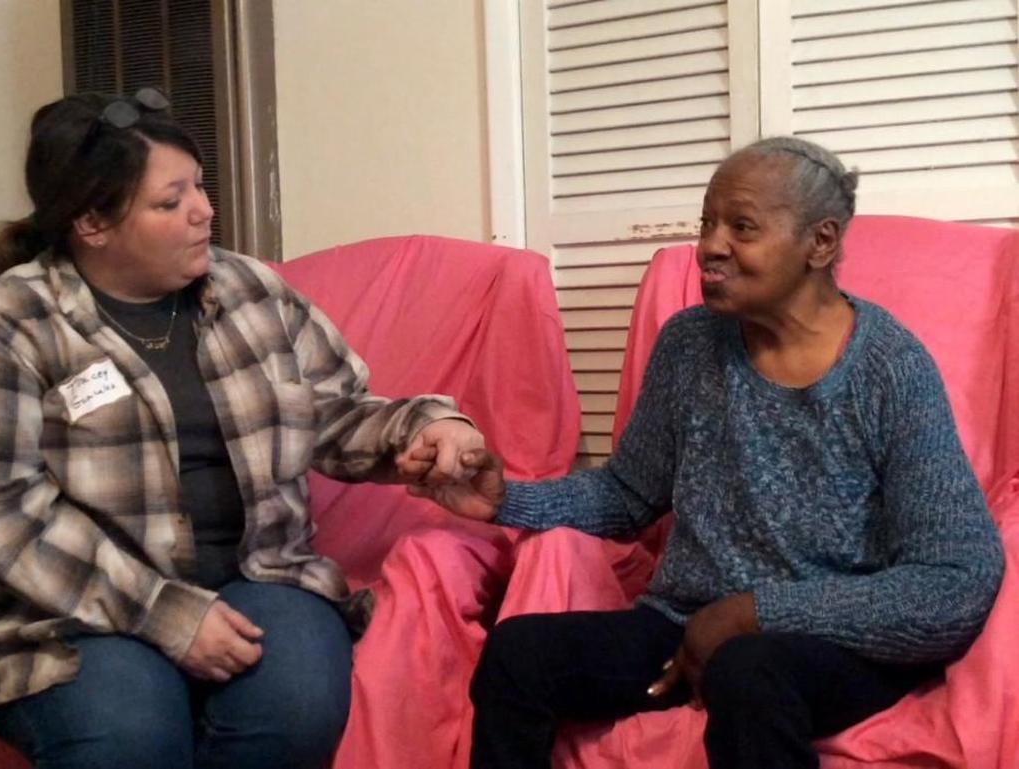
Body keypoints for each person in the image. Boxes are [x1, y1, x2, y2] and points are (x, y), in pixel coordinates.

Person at [0, 88, 484, 769]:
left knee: (298, 707)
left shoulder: (250, 290)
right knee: (132, 736)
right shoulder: (9, 326)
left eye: (199, 185)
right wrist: (167, 615)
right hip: (66, 610)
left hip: (258, 575)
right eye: (171, 201)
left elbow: (335, 411)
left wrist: (425, 427)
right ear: (92, 222)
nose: (204, 210)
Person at [415, 137, 1006, 769]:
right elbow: (627, 494)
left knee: (749, 672)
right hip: (689, 624)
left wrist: (754, 613)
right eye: (707, 224)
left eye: (741, 227)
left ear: (820, 242)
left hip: (833, 643)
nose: (710, 247)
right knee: (519, 655)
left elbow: (955, 581)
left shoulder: (890, 368)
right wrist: (507, 500)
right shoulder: (689, 344)